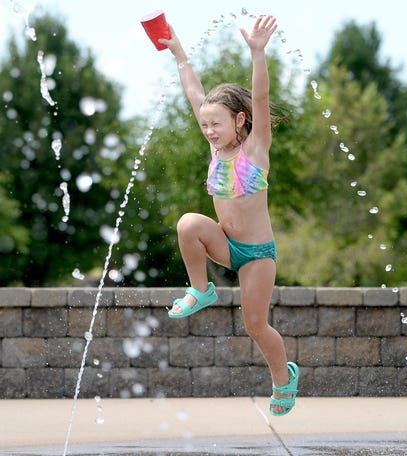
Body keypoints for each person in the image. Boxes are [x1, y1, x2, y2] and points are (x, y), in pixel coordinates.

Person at [159, 15, 299, 416]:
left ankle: (283, 378)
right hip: (224, 242)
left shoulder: (255, 151)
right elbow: (193, 91)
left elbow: (258, 97)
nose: (208, 130)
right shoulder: (215, 152)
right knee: (188, 223)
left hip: (257, 255)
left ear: (239, 120)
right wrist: (178, 52)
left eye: (215, 124)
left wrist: (258, 53)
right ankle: (201, 289)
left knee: (255, 325)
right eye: (204, 125)